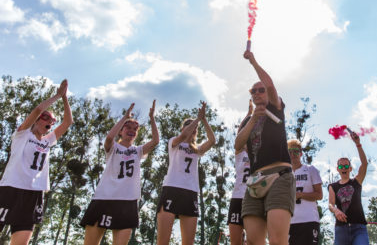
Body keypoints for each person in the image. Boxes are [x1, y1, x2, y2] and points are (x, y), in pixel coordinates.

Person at [0, 79, 72, 245]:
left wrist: (65, 98)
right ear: (37, 120)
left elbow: (68, 122)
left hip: (34, 193)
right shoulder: (22, 135)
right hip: (11, 188)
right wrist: (57, 95)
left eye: (52, 121)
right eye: (46, 118)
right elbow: (38, 109)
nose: (49, 122)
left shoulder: (48, 141)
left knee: (21, 241)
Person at [234, 50, 295, 245]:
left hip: (279, 176)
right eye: (254, 91)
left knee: (277, 241)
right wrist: (252, 118)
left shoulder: (275, 107)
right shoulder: (249, 121)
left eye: (261, 90)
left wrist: (253, 61)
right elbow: (238, 144)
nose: (258, 93)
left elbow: (269, 83)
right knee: (253, 241)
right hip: (254, 181)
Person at [81, 101, 160, 245]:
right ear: (121, 131)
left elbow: (155, 141)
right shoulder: (113, 147)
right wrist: (125, 117)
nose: (132, 130)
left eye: (135, 129)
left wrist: (152, 118)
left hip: (127, 201)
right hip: (104, 197)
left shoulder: (137, 151)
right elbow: (109, 138)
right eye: (128, 127)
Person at [156, 102, 216, 245]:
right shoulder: (174, 143)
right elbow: (183, 135)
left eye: (195, 128)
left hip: (190, 192)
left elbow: (212, 140)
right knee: (162, 241)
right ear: (183, 128)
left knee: (188, 242)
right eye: (188, 125)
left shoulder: (197, 149)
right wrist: (196, 119)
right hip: (172, 189)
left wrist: (204, 120)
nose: (193, 128)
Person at [328, 129, 369, 245]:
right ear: (337, 169)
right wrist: (336, 210)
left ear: (350, 168)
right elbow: (331, 204)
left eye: (346, 165)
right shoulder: (333, 186)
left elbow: (365, 164)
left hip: (359, 228)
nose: (343, 168)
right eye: (340, 167)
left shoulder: (357, 182)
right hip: (341, 229)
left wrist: (358, 144)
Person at [287, 139, 323, 245]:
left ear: (301, 153)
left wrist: (300, 195)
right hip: (289, 221)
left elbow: (319, 195)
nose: (293, 154)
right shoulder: (284, 174)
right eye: (290, 151)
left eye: (296, 151)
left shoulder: (311, 169)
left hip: (309, 220)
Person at [228, 100, 253, 245]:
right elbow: (239, 137)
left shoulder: (261, 153)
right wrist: (248, 114)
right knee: (235, 241)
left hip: (254, 199)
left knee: (253, 240)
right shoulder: (240, 152)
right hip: (238, 197)